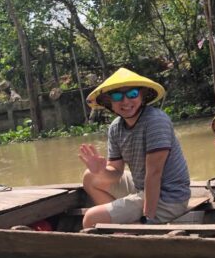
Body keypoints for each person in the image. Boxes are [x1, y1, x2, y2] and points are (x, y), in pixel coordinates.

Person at [79, 67, 191, 228]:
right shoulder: (115, 128)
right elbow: (115, 172)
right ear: (108, 102)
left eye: (132, 94)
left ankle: (131, 224)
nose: (125, 102)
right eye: (117, 96)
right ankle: (122, 221)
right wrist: (100, 170)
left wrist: (148, 220)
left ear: (142, 95)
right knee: (90, 177)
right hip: (142, 187)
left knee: (91, 219)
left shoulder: (155, 121)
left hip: (167, 197)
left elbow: (154, 174)